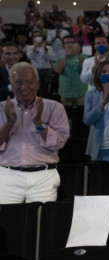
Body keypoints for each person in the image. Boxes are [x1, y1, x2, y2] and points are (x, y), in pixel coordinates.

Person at [0, 62, 70, 204]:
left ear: (37, 83)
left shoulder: (54, 107)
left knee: (40, 222)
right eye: (18, 82)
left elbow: (57, 143)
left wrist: (38, 122)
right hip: (7, 175)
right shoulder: (1, 108)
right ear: (10, 83)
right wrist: (9, 124)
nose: (23, 87)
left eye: (29, 82)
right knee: (6, 223)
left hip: (44, 175)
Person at [54, 37, 87, 107]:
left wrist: (78, 54)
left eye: (72, 43)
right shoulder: (60, 58)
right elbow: (57, 70)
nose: (70, 45)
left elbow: (86, 68)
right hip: (66, 92)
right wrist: (66, 57)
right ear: (63, 46)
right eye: (67, 43)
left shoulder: (83, 56)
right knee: (67, 115)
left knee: (81, 114)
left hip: (81, 92)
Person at [26, 30, 53, 97]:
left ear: (42, 37)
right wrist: (35, 47)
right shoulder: (29, 47)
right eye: (35, 36)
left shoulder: (48, 47)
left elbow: (49, 58)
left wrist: (45, 48)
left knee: (46, 88)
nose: (37, 37)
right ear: (32, 38)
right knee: (37, 87)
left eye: (39, 36)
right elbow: (30, 56)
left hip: (46, 69)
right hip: (35, 69)